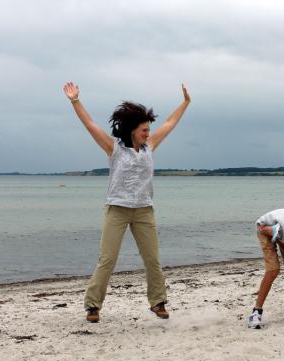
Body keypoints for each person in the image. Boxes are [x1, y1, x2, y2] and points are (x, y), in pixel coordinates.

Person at [62, 81, 191, 322]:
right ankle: (92, 306)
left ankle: (158, 302)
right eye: (144, 130)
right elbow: (90, 124)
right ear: (132, 129)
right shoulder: (114, 148)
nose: (147, 134)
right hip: (117, 210)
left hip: (144, 211)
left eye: (148, 130)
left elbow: (170, 124)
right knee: (108, 259)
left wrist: (185, 103)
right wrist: (75, 101)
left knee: (152, 259)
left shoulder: (150, 146)